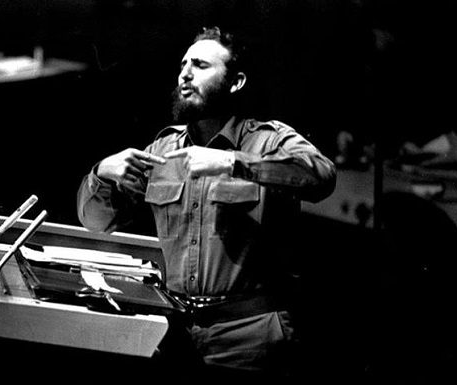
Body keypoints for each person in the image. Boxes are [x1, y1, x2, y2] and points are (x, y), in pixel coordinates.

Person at [77, 26, 336, 378]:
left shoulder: (266, 140)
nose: (185, 73)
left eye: (200, 65)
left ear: (236, 82)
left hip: (248, 336)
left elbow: (320, 177)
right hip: (175, 335)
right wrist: (103, 173)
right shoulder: (164, 150)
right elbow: (95, 221)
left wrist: (232, 163)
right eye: (183, 64)